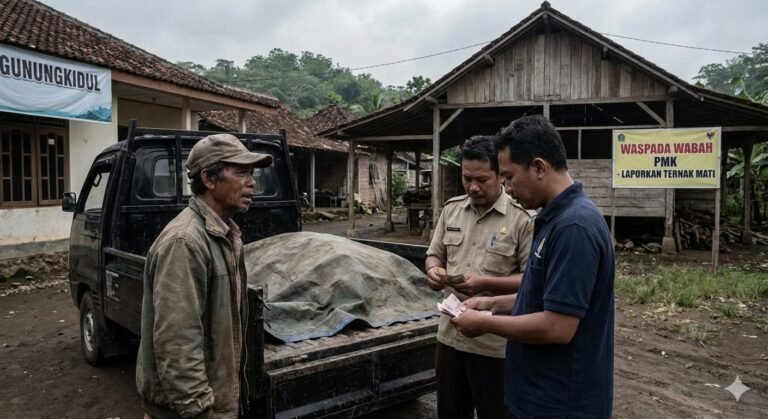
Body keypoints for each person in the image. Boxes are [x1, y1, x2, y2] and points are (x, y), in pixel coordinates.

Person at [451, 115, 615, 419]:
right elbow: (544, 296)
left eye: (510, 177)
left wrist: (484, 323)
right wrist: (491, 303)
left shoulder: (574, 227)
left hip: (560, 404)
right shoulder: (553, 219)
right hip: (538, 396)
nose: (507, 188)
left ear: (539, 167)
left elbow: (558, 326)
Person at [136, 133, 272, 419]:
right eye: (241, 172)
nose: (252, 182)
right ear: (209, 179)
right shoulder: (185, 242)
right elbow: (177, 344)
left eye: (252, 173)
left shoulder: (224, 233)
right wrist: (200, 412)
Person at [425, 135, 533, 419]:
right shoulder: (451, 210)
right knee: (450, 412)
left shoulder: (522, 220)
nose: (473, 187)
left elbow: (532, 281)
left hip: (495, 344)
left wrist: (485, 284)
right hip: (449, 337)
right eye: (466, 178)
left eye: (482, 180)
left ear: (500, 175)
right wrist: (434, 271)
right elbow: (433, 255)